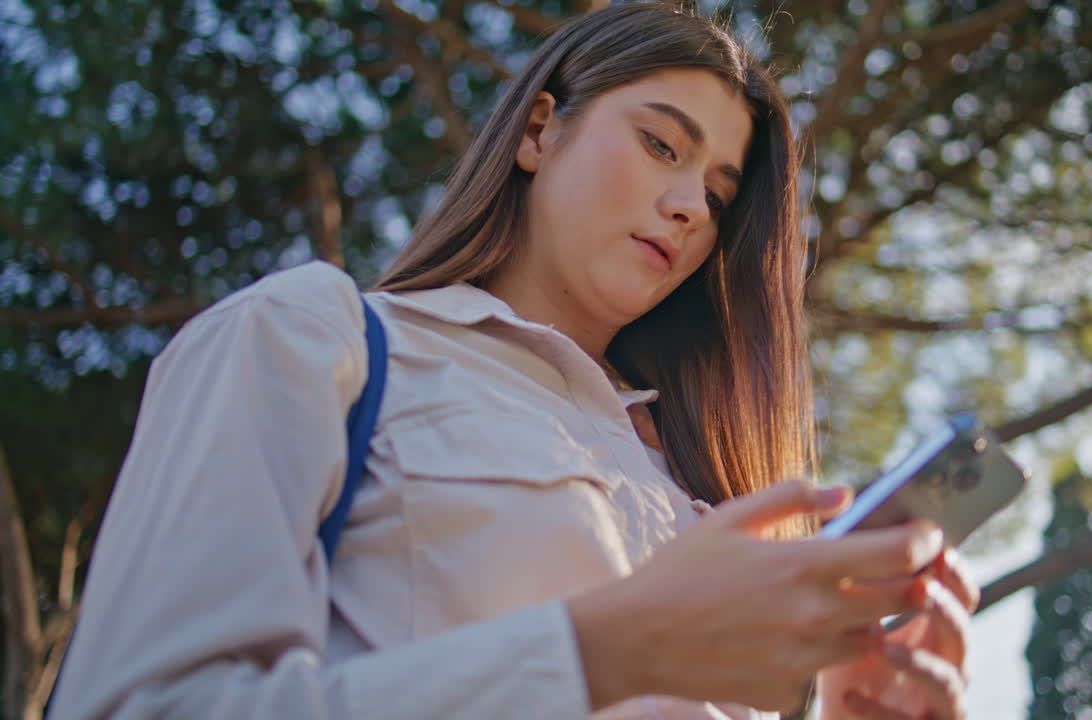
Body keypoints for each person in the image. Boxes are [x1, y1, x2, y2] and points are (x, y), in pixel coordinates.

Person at [49, 4, 978, 719]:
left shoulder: (694, 490)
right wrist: (602, 648)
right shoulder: (313, 337)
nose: (691, 205)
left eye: (719, 195)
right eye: (661, 144)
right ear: (539, 129)